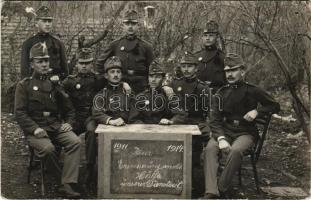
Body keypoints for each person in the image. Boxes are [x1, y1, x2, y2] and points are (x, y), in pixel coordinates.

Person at [201, 53, 280, 199]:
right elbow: (214, 120)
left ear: (242, 71)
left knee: (236, 151)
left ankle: (221, 187)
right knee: (210, 149)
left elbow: (274, 105)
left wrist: (257, 111)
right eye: (227, 71)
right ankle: (211, 192)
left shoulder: (253, 90)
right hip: (225, 130)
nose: (230, 74)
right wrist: (221, 138)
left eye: (233, 70)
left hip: (246, 132)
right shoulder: (221, 92)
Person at [14, 42, 81, 198]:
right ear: (32, 64)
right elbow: (20, 113)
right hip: (35, 129)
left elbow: (69, 108)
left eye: (46, 60)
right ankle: (61, 182)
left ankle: (68, 182)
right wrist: (34, 128)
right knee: (48, 149)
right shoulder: (24, 85)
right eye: (40, 61)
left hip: (55, 126)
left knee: (75, 142)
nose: (44, 64)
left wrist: (68, 123)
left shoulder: (54, 83)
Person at [165, 52, 211, 197]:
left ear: (195, 68)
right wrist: (165, 87)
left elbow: (209, 111)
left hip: (196, 123)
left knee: (194, 154)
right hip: (177, 123)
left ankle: (195, 188)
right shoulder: (175, 84)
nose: (186, 69)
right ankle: (169, 182)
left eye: (189, 66)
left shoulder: (202, 88)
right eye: (184, 66)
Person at [86, 56, 131, 185]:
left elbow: (131, 109)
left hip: (123, 123)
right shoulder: (102, 92)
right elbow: (96, 112)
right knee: (91, 131)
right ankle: (90, 168)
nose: (115, 75)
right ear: (106, 76)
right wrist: (110, 120)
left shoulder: (127, 91)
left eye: (118, 72)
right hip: (106, 123)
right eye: (112, 72)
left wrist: (123, 119)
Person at [96, 9, 154, 93]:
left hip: (141, 88)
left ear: (138, 25)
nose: (130, 26)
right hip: (119, 87)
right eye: (127, 24)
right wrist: (110, 81)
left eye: (133, 24)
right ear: (123, 25)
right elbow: (99, 64)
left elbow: (153, 69)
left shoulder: (146, 46)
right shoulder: (115, 45)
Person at [21, 6, 68, 80]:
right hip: (35, 85)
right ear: (36, 23)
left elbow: (65, 71)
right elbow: (24, 72)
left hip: (54, 84)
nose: (47, 24)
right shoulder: (28, 44)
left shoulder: (58, 43)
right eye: (44, 21)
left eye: (49, 21)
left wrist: (58, 77)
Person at [193, 20, 226, 93]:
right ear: (202, 37)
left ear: (216, 37)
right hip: (197, 97)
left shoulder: (222, 57)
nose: (207, 38)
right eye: (205, 35)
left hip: (217, 97)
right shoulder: (196, 56)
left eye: (211, 35)